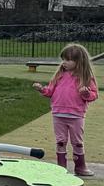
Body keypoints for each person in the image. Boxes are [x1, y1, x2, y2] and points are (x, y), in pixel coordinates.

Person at [35, 43, 97, 176]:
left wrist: (85, 93)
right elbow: (50, 92)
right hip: (58, 114)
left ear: (79, 61)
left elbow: (93, 95)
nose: (64, 62)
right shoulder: (59, 75)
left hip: (76, 116)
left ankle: (80, 167)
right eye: (63, 59)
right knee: (60, 141)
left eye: (68, 60)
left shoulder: (86, 77)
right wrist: (42, 89)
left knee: (77, 142)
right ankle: (61, 168)